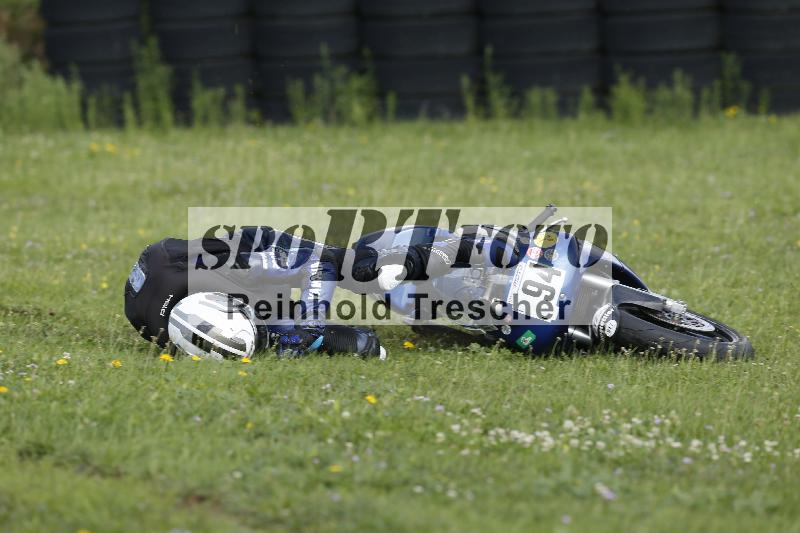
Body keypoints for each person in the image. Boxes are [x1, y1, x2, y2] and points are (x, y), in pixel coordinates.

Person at [124, 226, 468, 358]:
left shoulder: (234, 267)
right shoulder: (148, 323)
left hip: (260, 253)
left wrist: (310, 324)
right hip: (222, 289)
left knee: (361, 270)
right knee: (358, 346)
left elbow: (319, 268)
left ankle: (460, 249)